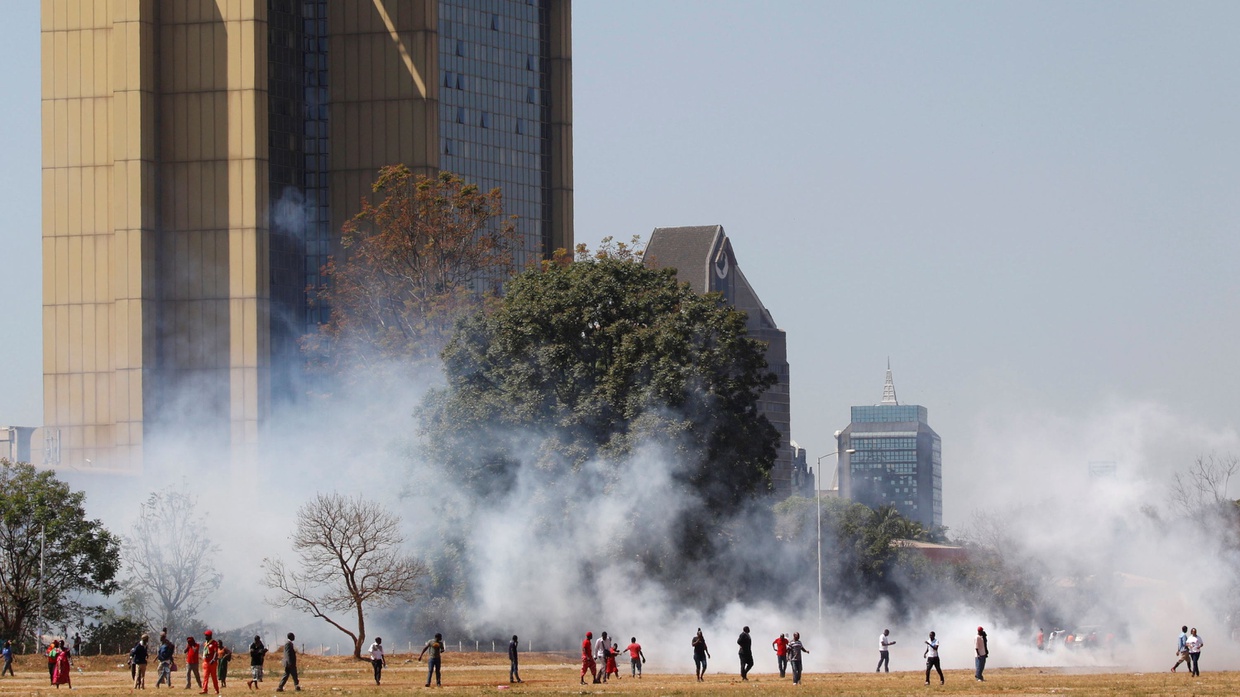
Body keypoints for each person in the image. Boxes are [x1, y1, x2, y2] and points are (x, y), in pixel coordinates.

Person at [201, 630, 220, 695]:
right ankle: (204, 690)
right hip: (205, 662)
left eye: (206, 635)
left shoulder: (214, 643)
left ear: (210, 636)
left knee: (214, 677)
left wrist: (213, 659)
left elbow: (215, 652)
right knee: (205, 677)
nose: (205, 637)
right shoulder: (205, 643)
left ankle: (216, 690)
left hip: (212, 663)